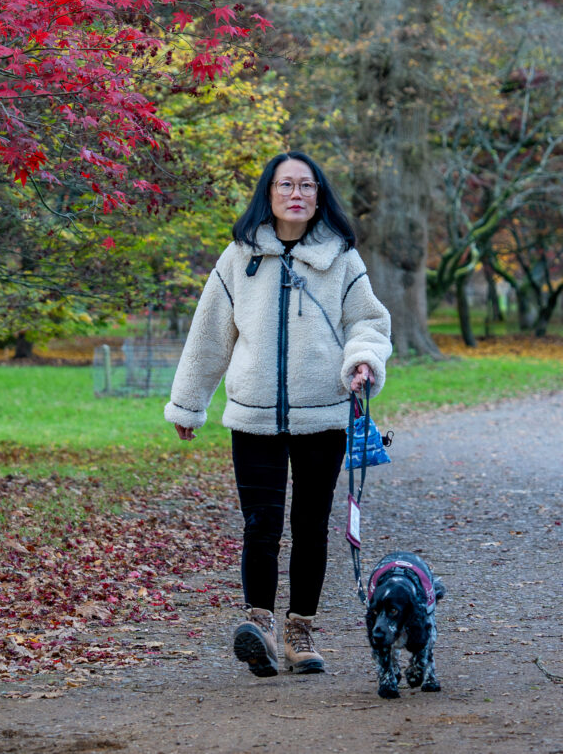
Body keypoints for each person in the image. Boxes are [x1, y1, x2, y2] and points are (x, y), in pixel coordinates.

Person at [166, 152, 393, 678]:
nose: (296, 193)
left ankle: (300, 631)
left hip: (324, 418)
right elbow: (208, 337)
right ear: (268, 194)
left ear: (318, 197)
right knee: (259, 524)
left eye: (306, 186)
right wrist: (189, 403)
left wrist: (362, 361)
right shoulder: (237, 259)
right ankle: (261, 627)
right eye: (285, 184)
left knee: (311, 526)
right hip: (253, 419)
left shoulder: (343, 260)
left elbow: (369, 324)